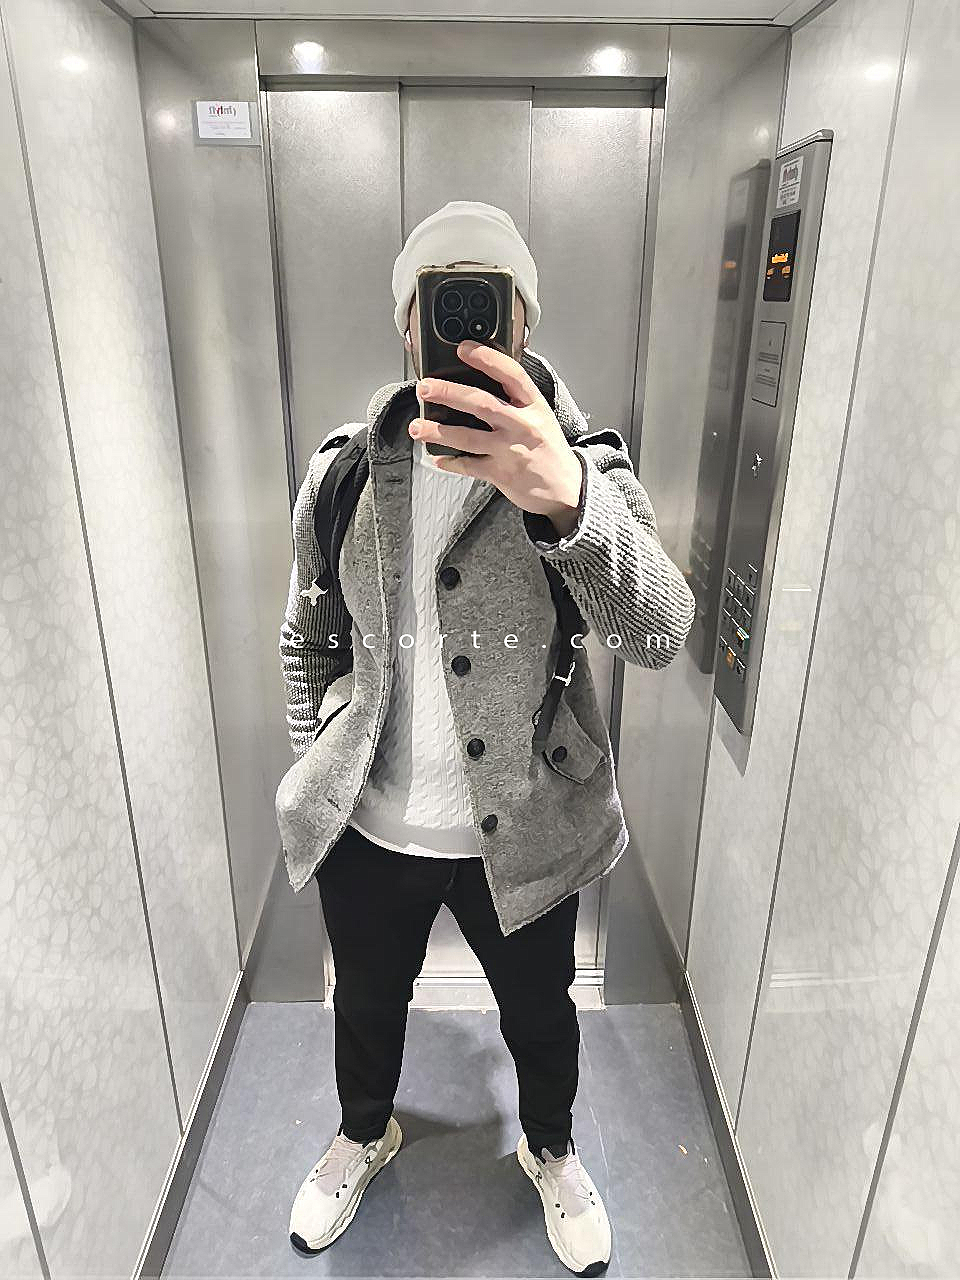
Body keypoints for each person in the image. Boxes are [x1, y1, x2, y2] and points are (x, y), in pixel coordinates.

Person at [276, 201, 695, 1274]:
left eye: (488, 302)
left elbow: (659, 630)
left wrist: (567, 503)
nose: (462, 327)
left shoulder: (584, 466)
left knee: (541, 1015)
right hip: (371, 826)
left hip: (529, 826)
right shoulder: (344, 470)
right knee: (366, 1006)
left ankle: (549, 1147)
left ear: (522, 320)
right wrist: (316, 750)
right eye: (438, 301)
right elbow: (307, 629)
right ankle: (364, 1132)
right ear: (406, 322)